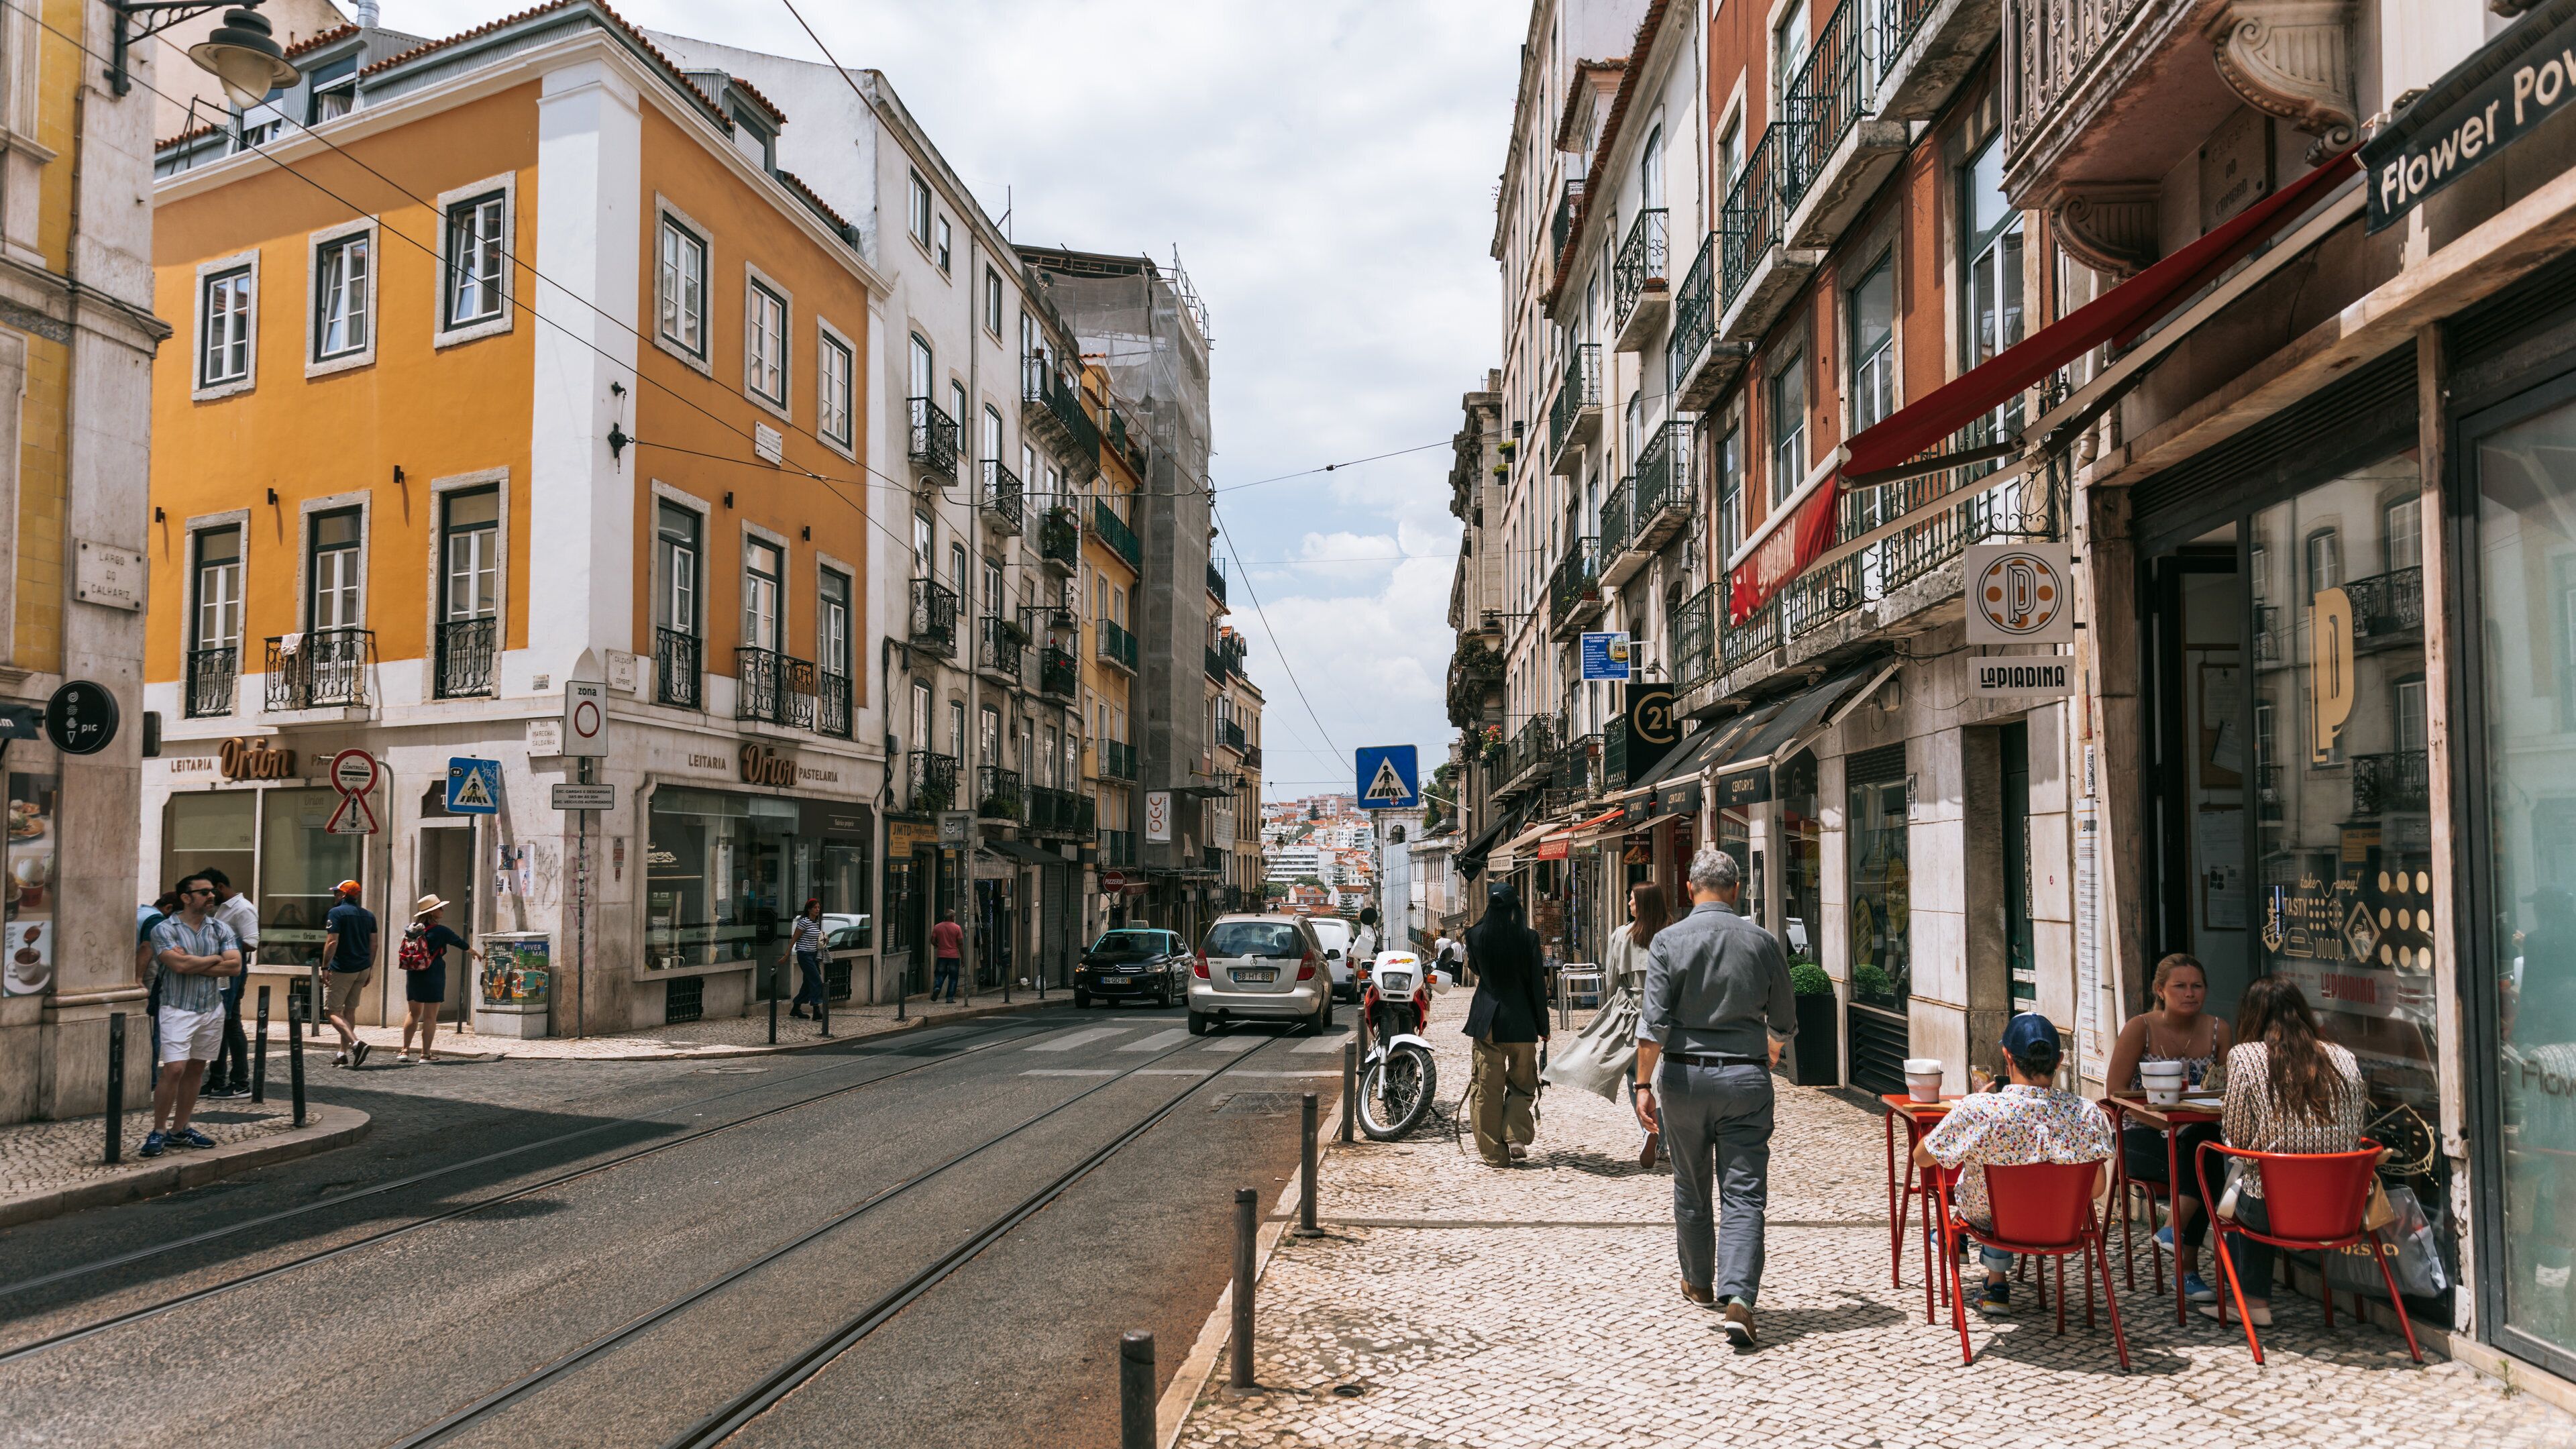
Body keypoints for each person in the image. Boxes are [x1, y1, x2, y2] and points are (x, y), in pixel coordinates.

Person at [1634, 847, 1794, 1346]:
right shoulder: (1763, 942)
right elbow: (1785, 1018)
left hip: (1683, 1080)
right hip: (1745, 1080)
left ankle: (1699, 1282)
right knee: (1743, 1193)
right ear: (1737, 890)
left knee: (1690, 1183)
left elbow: (1654, 1024)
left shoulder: (1667, 941)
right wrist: (1772, 1046)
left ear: (1689, 889)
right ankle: (1740, 1297)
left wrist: (1643, 1085)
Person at [1915, 1014, 2116, 1314]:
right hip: (2060, 1222)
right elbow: (2097, 1189)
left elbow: (1922, 1157)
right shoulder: (2087, 1113)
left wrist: (1965, 1117)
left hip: (1992, 1219)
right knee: (1999, 1198)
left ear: (2007, 1056)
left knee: (1985, 1196)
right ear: (2059, 1061)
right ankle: (1986, 1273)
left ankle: (1955, 1243)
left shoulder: (1980, 1109)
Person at [2206, 976, 2369, 1326]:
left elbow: (2238, 1140)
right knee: (2261, 1173)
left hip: (2273, 1213)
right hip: (2340, 1210)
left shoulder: (2244, 1057)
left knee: (2233, 1162)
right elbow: (2356, 1130)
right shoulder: (2344, 1056)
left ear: (2251, 1015)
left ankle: (2251, 1299)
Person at [2103, 952, 2233, 1302]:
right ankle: (2186, 1271)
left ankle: (2173, 1231)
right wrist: (2164, 1122)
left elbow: (2228, 1089)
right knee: (2203, 1164)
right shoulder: (2140, 1028)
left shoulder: (2219, 1030)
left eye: (2197, 986)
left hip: (2196, 1131)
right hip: (2140, 1133)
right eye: (2180, 986)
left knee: (2205, 1150)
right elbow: (2114, 1092)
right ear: (2160, 990)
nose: (2190, 993)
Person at [1544, 881, 1667, 1167]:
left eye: (1633, 899)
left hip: (1631, 1012)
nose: (1629, 903)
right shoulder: (1671, 935)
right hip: (1665, 1013)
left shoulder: (1621, 935)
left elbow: (1611, 979)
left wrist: (1613, 1010)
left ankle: (1650, 1131)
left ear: (1644, 903)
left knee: (1636, 1078)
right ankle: (1663, 1140)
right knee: (1662, 1078)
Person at [144, 875, 243, 1158]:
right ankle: (158, 1130)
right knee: (174, 1069)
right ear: (186, 898)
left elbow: (235, 966)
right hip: (177, 1007)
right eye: (203, 892)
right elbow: (178, 966)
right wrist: (216, 958)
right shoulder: (165, 929)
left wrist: (193, 962)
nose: (211, 896)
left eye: (212, 892)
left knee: (197, 1068)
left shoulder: (221, 928)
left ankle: (180, 1129)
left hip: (211, 1007)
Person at [1462, 883, 1550, 1168]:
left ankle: (1494, 1155)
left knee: (1486, 1089)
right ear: (1516, 907)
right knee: (1523, 1083)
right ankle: (1515, 1134)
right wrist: (1544, 1025)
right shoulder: (1529, 938)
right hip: (1522, 1021)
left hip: (1487, 1021)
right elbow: (1537, 985)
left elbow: (1476, 969)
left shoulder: (1475, 936)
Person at [397, 894, 480, 1064]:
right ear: (433, 912)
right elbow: (460, 943)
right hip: (433, 973)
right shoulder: (441, 931)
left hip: (414, 973)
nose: (443, 910)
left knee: (413, 1013)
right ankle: (425, 1054)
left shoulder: (411, 931)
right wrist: (475, 953)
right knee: (430, 1016)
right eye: (440, 908)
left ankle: (404, 1051)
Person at [199, 867, 258, 1098]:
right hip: (220, 973)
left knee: (231, 1024)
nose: (207, 896)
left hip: (232, 974)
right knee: (220, 1024)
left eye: (209, 891)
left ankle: (240, 1082)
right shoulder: (220, 909)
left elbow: (252, 943)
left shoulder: (242, 908)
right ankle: (216, 1080)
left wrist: (220, 944)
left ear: (221, 887)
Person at [320, 879, 378, 1068]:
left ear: (343, 895)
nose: (334, 896)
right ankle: (342, 1053)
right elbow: (374, 945)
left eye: (336, 893)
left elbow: (332, 942)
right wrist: (370, 969)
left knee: (331, 1011)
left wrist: (325, 967)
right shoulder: (369, 915)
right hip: (362, 968)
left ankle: (356, 1043)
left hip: (342, 968)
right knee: (350, 1011)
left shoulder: (336, 913)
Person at [138, 892, 178, 1088]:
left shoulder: (140, 912)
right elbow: (147, 947)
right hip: (148, 978)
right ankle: (150, 1079)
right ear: (169, 908)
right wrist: (138, 978)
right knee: (153, 1029)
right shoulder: (157, 920)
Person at [780, 898, 826, 1020]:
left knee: (808, 983)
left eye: (819, 908)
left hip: (813, 955)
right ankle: (816, 1010)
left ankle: (796, 1008)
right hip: (804, 955)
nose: (817, 910)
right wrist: (787, 954)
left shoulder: (816, 923)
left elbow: (815, 940)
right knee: (817, 981)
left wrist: (824, 940)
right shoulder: (804, 922)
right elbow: (794, 939)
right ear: (809, 909)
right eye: (815, 907)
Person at [929, 908, 963, 1004]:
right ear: (952, 917)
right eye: (954, 916)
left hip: (942, 955)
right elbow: (960, 944)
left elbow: (932, 940)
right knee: (953, 978)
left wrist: (938, 946)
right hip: (954, 956)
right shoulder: (957, 928)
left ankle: (937, 987)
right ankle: (949, 998)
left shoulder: (937, 927)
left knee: (940, 974)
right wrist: (963, 957)